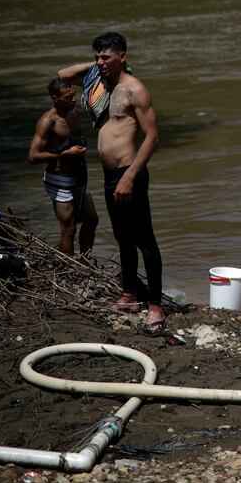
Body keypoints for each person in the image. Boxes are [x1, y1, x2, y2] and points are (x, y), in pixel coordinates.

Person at [58, 32, 165, 331]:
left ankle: (155, 307)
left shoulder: (134, 90)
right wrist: (97, 66)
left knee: (145, 241)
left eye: (106, 57)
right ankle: (129, 294)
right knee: (122, 237)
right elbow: (63, 75)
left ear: (123, 56)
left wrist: (130, 176)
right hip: (110, 175)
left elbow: (153, 137)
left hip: (129, 173)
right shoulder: (101, 84)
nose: (99, 62)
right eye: (96, 57)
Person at [28, 77, 98, 257]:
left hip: (78, 175)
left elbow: (77, 137)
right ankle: (71, 268)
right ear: (55, 98)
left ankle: (85, 262)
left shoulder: (73, 112)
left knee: (91, 219)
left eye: (73, 95)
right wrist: (64, 154)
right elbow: (33, 156)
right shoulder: (47, 121)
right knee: (69, 229)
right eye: (68, 97)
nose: (73, 99)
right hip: (59, 178)